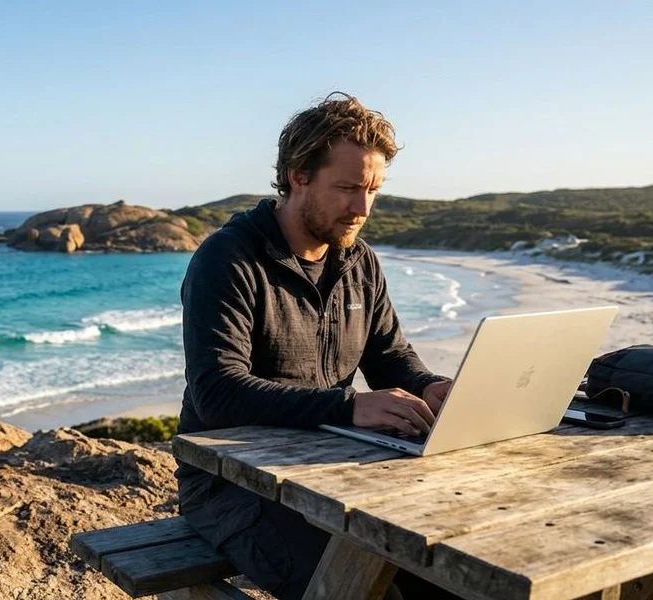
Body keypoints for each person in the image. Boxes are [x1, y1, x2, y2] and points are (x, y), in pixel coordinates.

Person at [176, 92, 458, 600]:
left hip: (327, 470)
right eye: (348, 187)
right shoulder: (228, 259)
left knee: (449, 578)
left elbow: (389, 356)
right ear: (296, 176)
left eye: (373, 189)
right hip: (230, 487)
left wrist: (430, 386)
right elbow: (217, 394)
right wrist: (349, 407)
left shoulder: (360, 261)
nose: (363, 208)